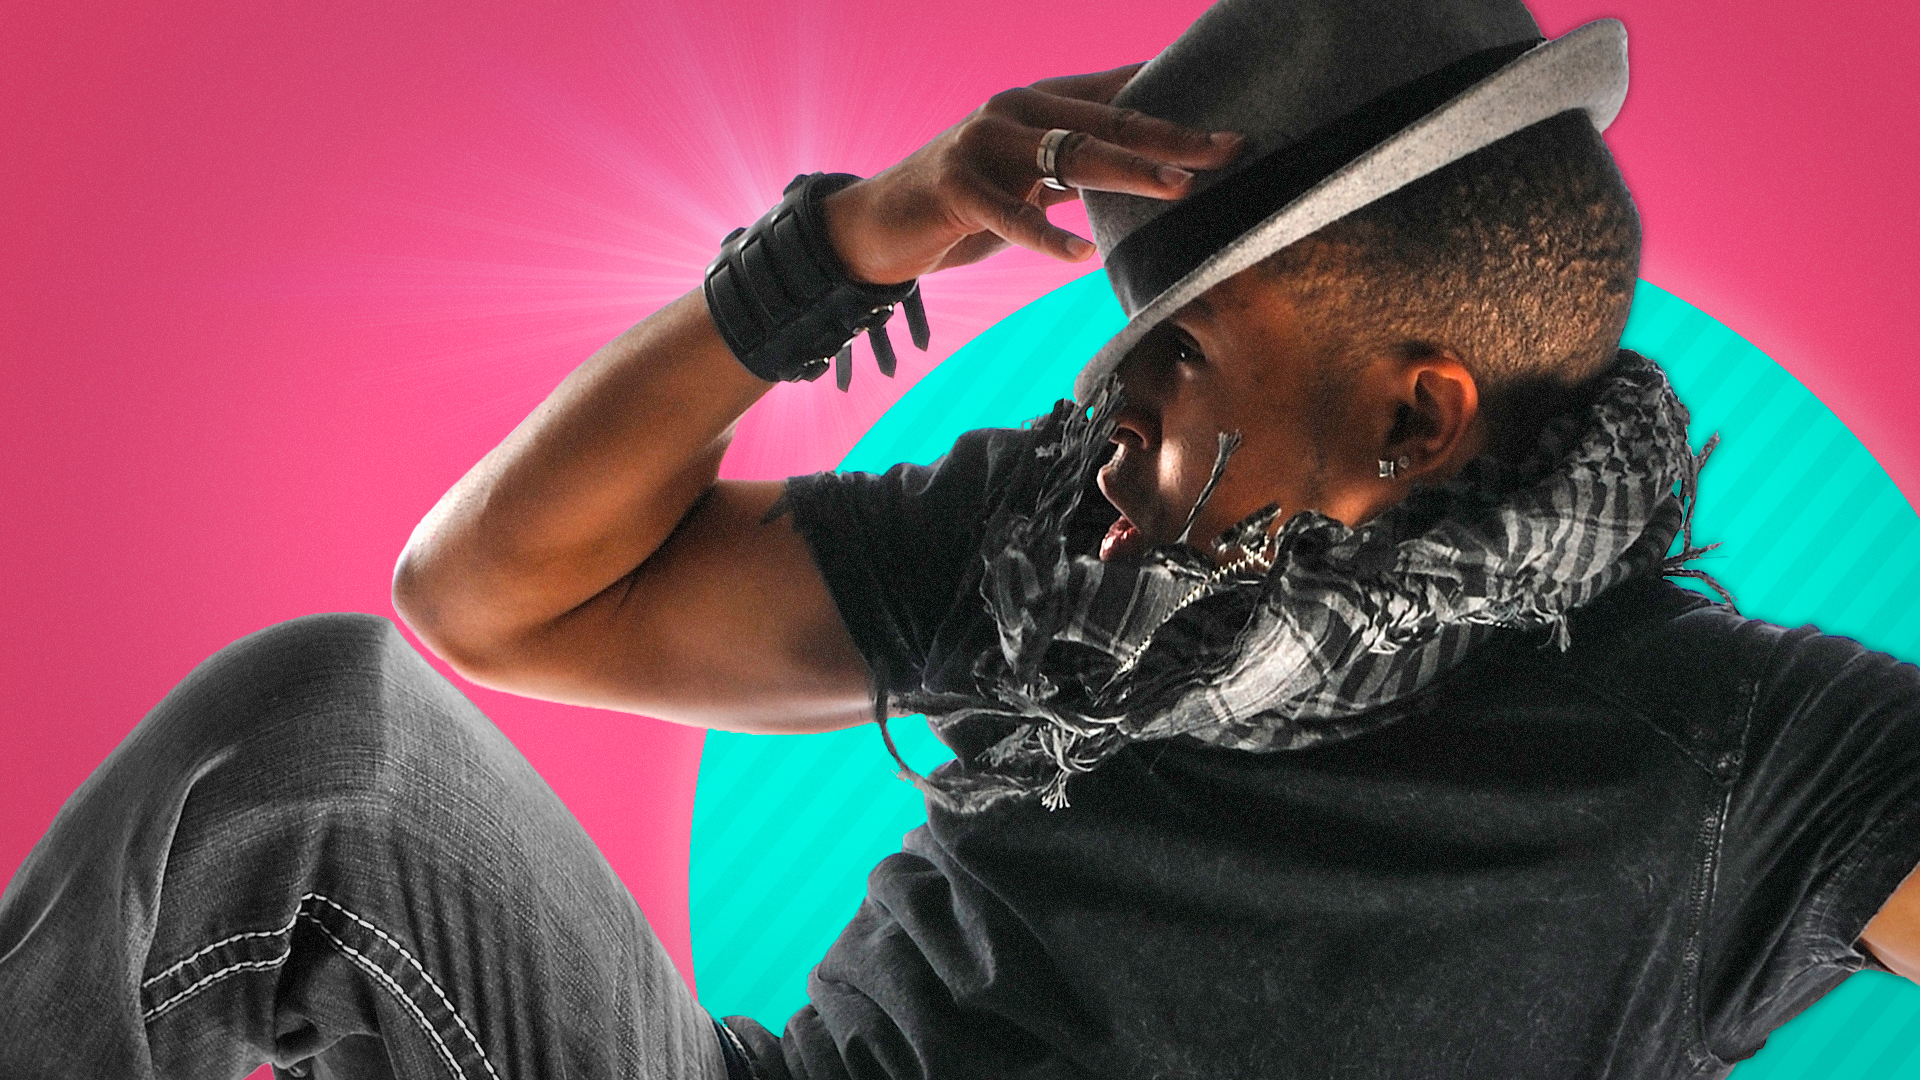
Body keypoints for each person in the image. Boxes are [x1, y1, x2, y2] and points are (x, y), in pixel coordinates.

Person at [4, 0, 1919, 1077]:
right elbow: (488, 600)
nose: (1117, 416)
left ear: (1413, 415)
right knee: (320, 743)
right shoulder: (1053, 541)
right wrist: (837, 252)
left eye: (1181, 361)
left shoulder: (1744, 758)